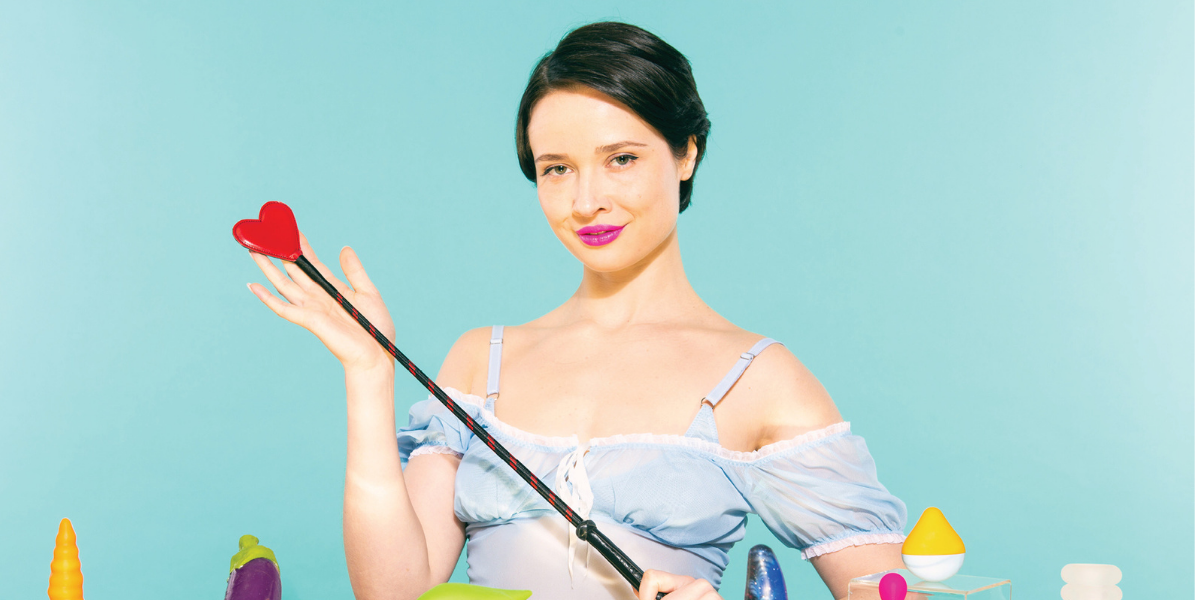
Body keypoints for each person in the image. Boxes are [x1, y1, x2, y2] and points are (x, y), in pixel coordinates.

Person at [246, 21, 906, 600]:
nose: (586, 200)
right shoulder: (482, 359)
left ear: (687, 153)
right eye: (556, 168)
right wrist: (369, 374)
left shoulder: (761, 381)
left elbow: (889, 594)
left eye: (621, 158)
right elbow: (395, 592)